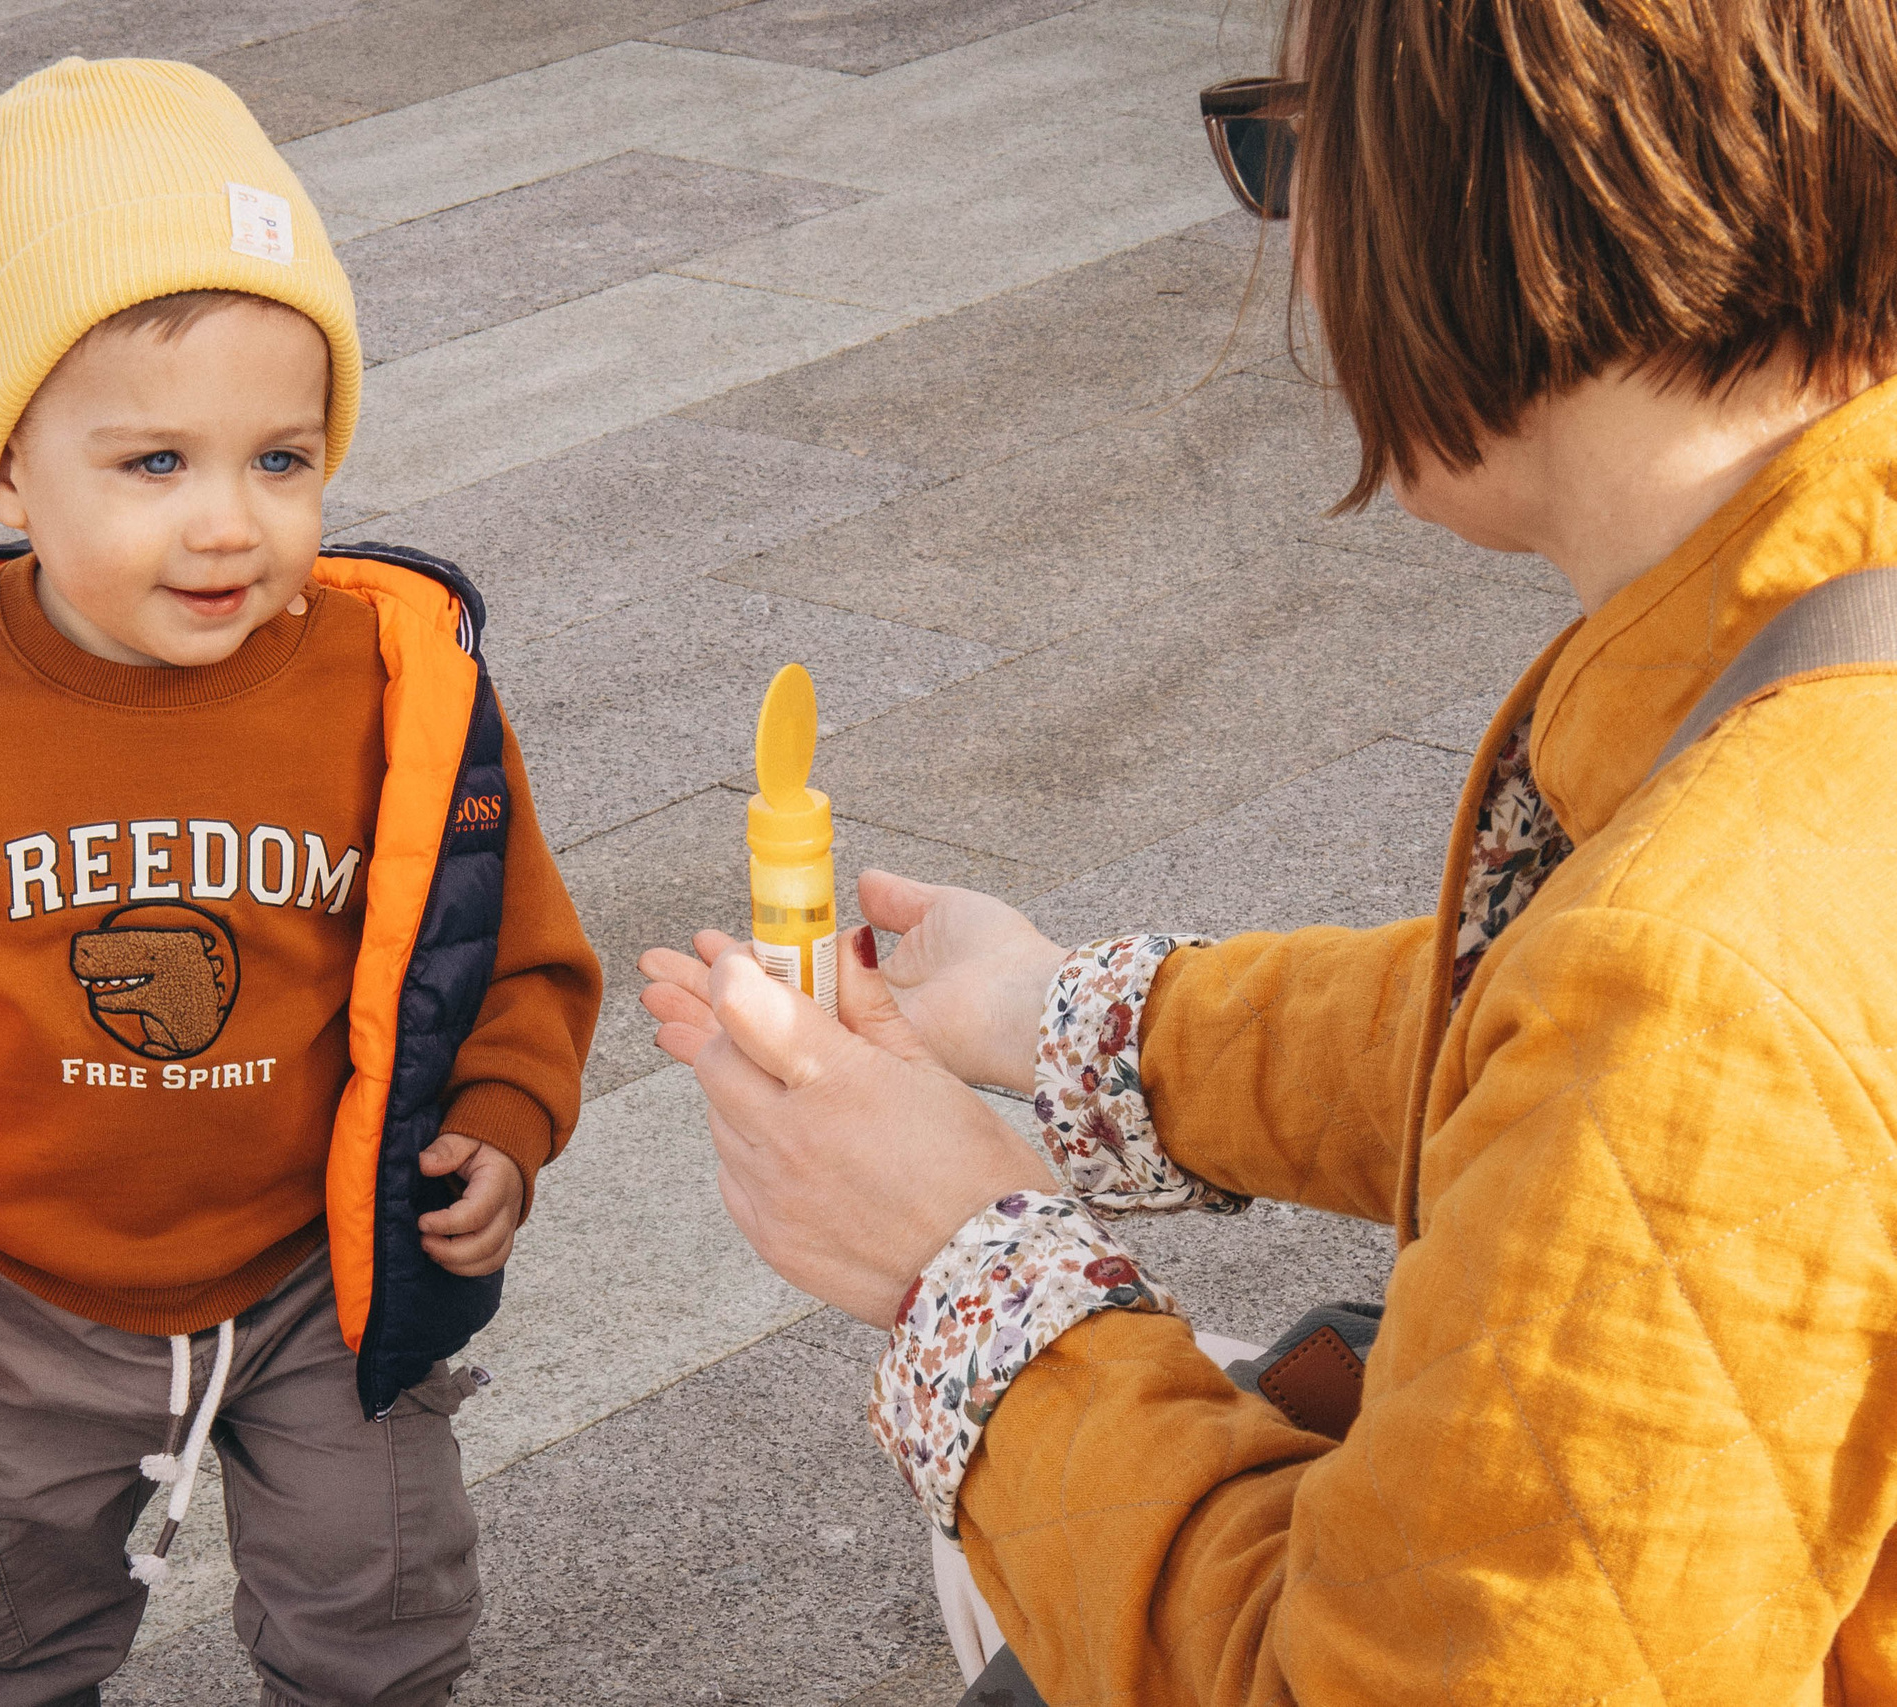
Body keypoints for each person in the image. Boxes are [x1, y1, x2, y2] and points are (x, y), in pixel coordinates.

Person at [642, 0, 1897, 1696]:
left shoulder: (1690, 972)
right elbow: (1541, 1051)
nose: (1296, 244)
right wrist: (1057, 1015)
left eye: (1293, 150)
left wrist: (968, 1273)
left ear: (1473, 184)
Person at [0, 58, 599, 1707]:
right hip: (1, 1306)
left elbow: (511, 948)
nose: (229, 524)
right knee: (4, 1637)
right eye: (155, 465)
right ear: (10, 474)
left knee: (386, 1617)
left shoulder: (389, 684)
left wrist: (503, 1115)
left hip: (316, 1283)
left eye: (284, 458)